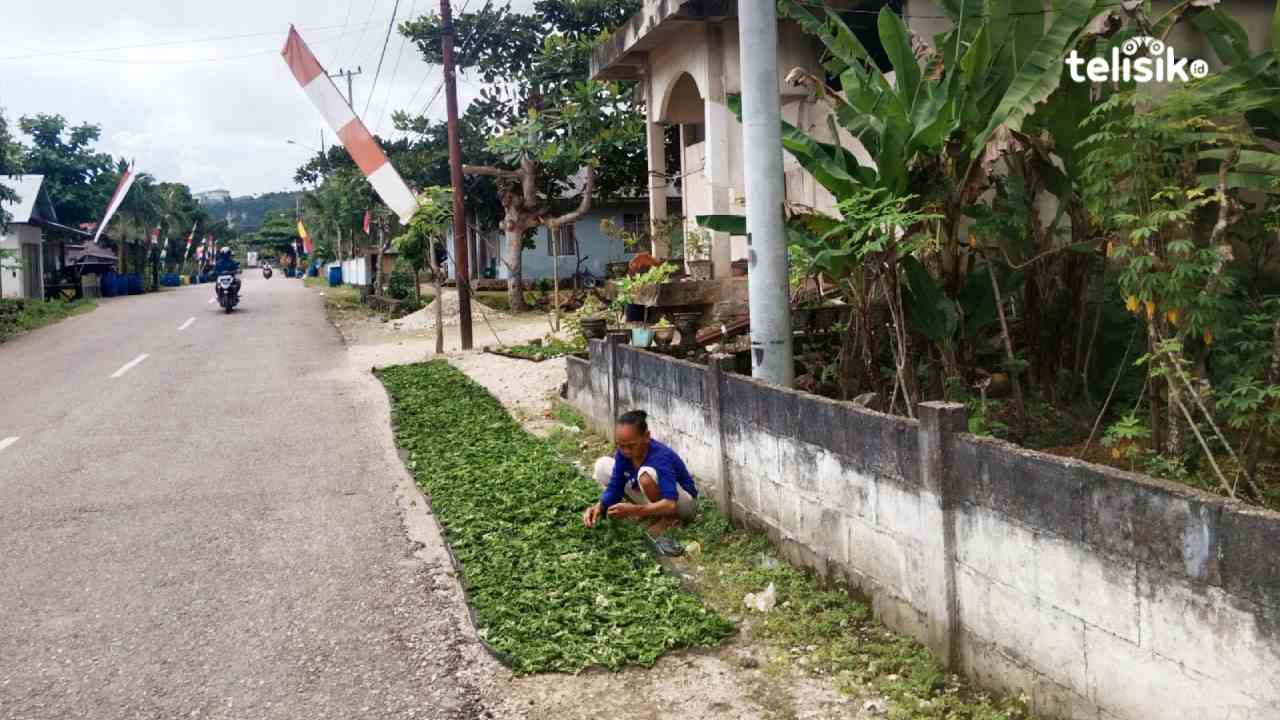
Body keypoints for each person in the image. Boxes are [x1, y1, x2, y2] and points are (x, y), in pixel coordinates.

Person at [583, 410, 698, 536]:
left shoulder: (660, 456)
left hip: (681, 505)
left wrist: (635, 511)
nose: (626, 451)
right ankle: (651, 512)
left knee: (645, 475)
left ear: (647, 437)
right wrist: (599, 506)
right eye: (621, 446)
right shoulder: (623, 454)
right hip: (654, 497)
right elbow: (615, 487)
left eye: (632, 446)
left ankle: (670, 519)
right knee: (602, 465)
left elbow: (670, 504)